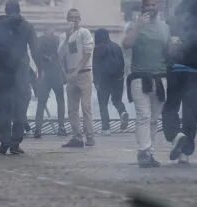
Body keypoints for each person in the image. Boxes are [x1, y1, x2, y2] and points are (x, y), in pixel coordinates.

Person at [162, 0, 197, 165]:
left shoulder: (174, 26)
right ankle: (185, 153)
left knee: (170, 107)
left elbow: (166, 49)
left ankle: (175, 135)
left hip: (176, 72)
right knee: (190, 113)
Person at [0, 0, 38, 155]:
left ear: (6, 11)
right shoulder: (27, 26)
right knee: (21, 107)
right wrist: (40, 70)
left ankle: (4, 142)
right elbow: (35, 51)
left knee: (4, 108)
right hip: (21, 73)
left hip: (4, 73)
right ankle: (15, 143)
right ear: (19, 10)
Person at [123, 0, 169, 168]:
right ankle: (144, 151)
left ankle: (149, 152)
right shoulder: (134, 26)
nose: (150, 7)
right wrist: (138, 26)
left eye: (153, 4)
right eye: (147, 5)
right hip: (139, 78)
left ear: (159, 7)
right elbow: (126, 44)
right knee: (144, 115)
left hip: (159, 78)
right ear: (142, 8)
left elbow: (167, 52)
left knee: (154, 119)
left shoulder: (165, 28)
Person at [59, 8, 95, 148]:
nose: (73, 20)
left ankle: (90, 137)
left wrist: (77, 70)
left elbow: (87, 53)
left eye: (76, 17)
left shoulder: (84, 33)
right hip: (71, 74)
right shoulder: (64, 36)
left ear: (80, 19)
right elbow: (60, 56)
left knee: (86, 107)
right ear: (67, 20)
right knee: (72, 109)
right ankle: (77, 137)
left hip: (84, 73)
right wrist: (66, 73)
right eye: (71, 17)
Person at [92, 28, 128, 136]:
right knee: (116, 100)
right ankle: (122, 112)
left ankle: (106, 128)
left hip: (104, 79)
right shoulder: (117, 46)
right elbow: (123, 63)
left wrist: (96, 80)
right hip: (118, 78)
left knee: (103, 103)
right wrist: (121, 77)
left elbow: (95, 65)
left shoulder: (98, 48)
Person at [33, 28, 66, 138]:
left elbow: (36, 56)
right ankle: (61, 127)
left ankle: (38, 129)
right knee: (59, 100)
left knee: (42, 103)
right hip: (55, 74)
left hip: (45, 75)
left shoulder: (40, 42)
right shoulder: (57, 41)